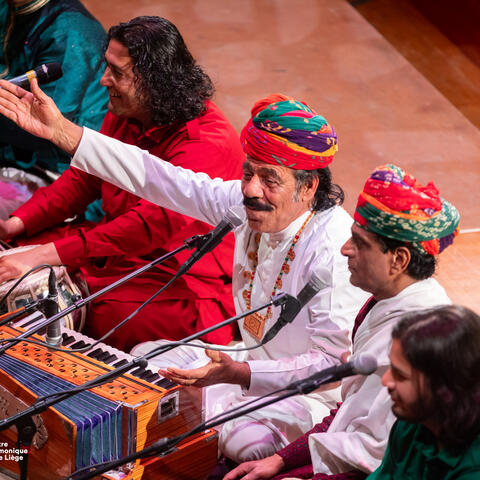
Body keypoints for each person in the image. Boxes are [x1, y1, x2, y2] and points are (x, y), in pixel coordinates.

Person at [0, 84, 370, 460]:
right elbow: (162, 180)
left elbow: (330, 365)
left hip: (307, 397)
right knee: (145, 364)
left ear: (308, 187)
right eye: (248, 174)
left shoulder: (335, 251)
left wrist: (239, 374)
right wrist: (64, 132)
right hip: (247, 362)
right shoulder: (247, 205)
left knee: (247, 443)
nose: (251, 190)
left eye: (269, 179)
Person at [0, 16, 244, 351]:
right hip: (113, 249)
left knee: (97, 312)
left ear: (155, 82)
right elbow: (85, 179)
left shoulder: (206, 142)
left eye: (117, 72)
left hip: (180, 276)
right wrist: (17, 223)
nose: (104, 80)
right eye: (107, 67)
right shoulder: (127, 111)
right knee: (15, 251)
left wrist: (48, 254)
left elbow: (144, 228)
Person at [223, 164, 460, 479]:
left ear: (399, 260)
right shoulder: (382, 303)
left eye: (359, 243)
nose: (345, 250)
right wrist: (279, 461)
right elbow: (348, 414)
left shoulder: (417, 338)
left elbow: (376, 461)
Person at [0, 0, 108, 220]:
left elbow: (42, 128)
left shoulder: (69, 30)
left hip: (60, 176)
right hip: (12, 155)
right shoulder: (9, 7)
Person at [368, 305, 480, 479]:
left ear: (445, 388)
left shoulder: (473, 470)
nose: (385, 380)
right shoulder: (411, 424)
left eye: (400, 375)